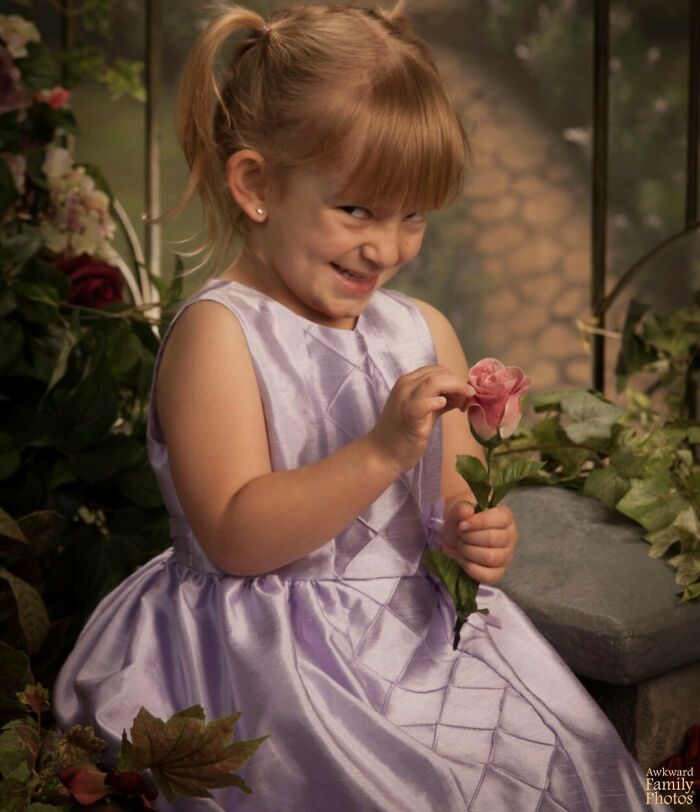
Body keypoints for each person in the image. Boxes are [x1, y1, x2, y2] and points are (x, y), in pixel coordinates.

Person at [54, 4, 657, 810]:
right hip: (264, 654)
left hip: (418, 635)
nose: (388, 247)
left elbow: (450, 504)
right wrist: (379, 452)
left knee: (553, 763)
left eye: (413, 217)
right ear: (256, 185)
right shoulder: (220, 335)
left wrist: (476, 535)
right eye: (357, 211)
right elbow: (234, 535)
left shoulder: (423, 330)